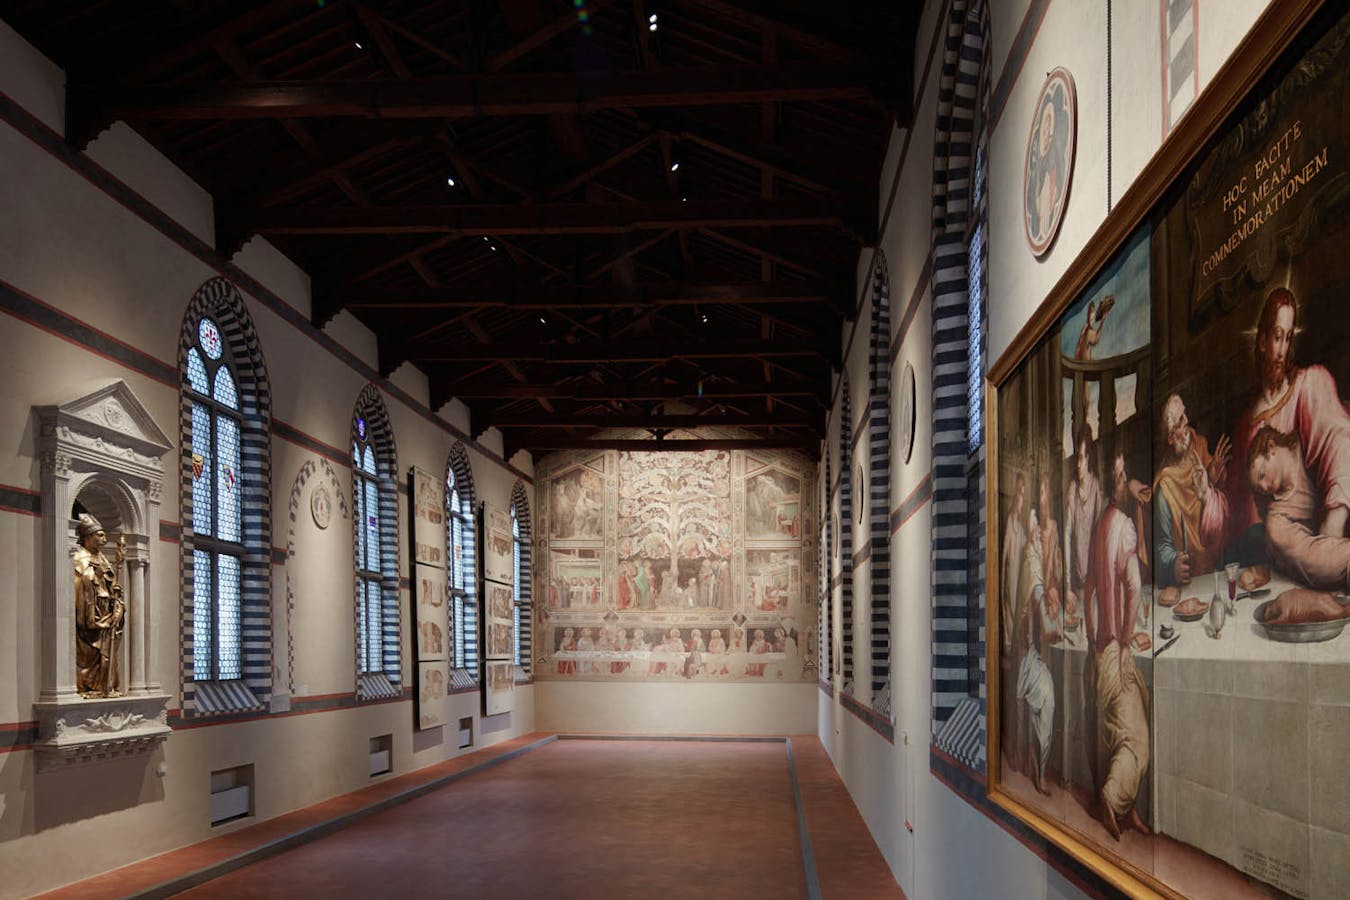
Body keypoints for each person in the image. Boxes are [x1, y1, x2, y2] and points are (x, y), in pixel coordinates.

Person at [1229, 288, 1350, 554]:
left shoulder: (1308, 386)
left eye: (1287, 338)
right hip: (1269, 549)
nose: (1282, 350)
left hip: (1318, 537)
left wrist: (1335, 518)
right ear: (1262, 341)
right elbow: (1238, 504)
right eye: (1276, 337)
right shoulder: (1246, 424)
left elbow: (1339, 439)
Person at [1082, 448, 1151, 840]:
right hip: (1115, 651)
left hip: (1101, 651)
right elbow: (1136, 587)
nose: (1129, 484)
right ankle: (1111, 799)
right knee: (1137, 738)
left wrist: (1094, 643)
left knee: (1123, 724)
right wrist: (1124, 645)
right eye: (1126, 478)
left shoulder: (1098, 529)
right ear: (1119, 484)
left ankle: (1129, 808)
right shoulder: (1123, 526)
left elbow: (1089, 588)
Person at [1249, 425, 1350, 590]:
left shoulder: (1307, 439)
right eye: (1260, 488)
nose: (1264, 487)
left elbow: (1343, 446)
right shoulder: (1277, 522)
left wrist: (1336, 514)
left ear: (1271, 448)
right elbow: (1316, 560)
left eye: (1262, 475)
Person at [1154, 393, 1231, 586]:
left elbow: (1221, 504)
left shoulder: (1200, 445)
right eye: (1180, 421)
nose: (1187, 421)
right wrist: (1173, 565)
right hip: (1189, 577)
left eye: (1185, 415)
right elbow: (1162, 543)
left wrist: (1214, 476)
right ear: (1171, 438)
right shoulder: (1165, 483)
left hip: (1215, 565)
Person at [73, 514, 126, 697]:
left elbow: (112, 587)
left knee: (107, 655)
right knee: (89, 655)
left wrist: (115, 593)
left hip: (106, 615)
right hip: (90, 616)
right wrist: (94, 577)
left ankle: (106, 686)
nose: (104, 540)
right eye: (100, 535)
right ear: (88, 535)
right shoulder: (79, 557)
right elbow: (79, 585)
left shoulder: (102, 558)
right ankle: (89, 687)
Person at [1065, 425, 1101, 629]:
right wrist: (1068, 586)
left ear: (1088, 459)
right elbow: (1067, 536)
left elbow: (1098, 535)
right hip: (1076, 584)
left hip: (1093, 580)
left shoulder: (1096, 488)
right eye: (1076, 458)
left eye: (1081, 458)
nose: (1077, 464)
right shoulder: (1072, 489)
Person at [1001, 473, 1029, 653]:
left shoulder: (1021, 525)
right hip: (1011, 586)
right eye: (1019, 493)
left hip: (1020, 584)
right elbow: (1004, 558)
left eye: (1024, 494)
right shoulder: (1010, 523)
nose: (1022, 499)